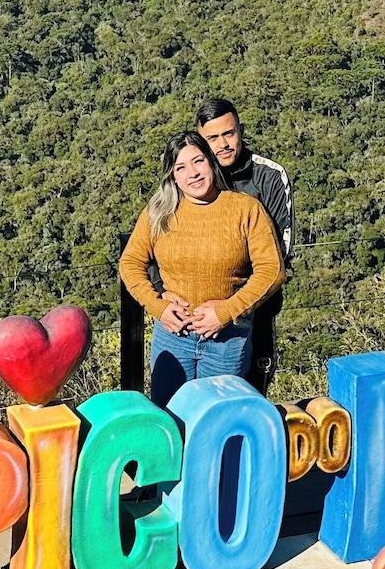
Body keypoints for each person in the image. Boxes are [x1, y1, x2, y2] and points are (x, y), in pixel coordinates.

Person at [119, 131, 283, 407]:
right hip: (173, 337)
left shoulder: (245, 209)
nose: (192, 173)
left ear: (211, 162)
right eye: (181, 167)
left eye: (198, 161)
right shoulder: (159, 212)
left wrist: (226, 311)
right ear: (172, 176)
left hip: (228, 339)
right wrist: (158, 306)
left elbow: (272, 270)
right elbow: (131, 262)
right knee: (171, 418)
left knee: (219, 420)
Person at [195, 98, 292, 389]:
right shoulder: (193, 177)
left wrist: (228, 307)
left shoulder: (270, 177)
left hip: (254, 314)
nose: (223, 144)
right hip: (198, 316)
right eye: (212, 138)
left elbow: (278, 255)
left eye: (229, 133)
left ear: (241, 131)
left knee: (250, 398)